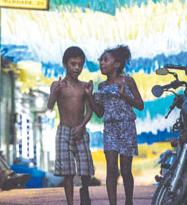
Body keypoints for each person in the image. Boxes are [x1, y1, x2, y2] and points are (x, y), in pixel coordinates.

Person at [86, 45, 144, 205]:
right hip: (110, 128)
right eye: (101, 61)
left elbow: (140, 105)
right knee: (111, 169)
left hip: (127, 127)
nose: (101, 63)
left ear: (117, 64)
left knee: (126, 170)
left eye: (106, 60)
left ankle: (129, 201)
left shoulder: (128, 82)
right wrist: (89, 96)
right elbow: (99, 113)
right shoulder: (101, 87)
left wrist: (124, 95)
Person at [48, 46, 95, 205]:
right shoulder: (57, 84)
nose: (77, 68)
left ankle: (85, 191)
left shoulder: (84, 86)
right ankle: (70, 202)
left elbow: (89, 110)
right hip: (64, 131)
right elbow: (49, 105)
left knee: (86, 167)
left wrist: (82, 126)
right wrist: (56, 91)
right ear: (65, 64)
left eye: (80, 65)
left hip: (80, 130)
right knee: (68, 173)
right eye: (73, 64)